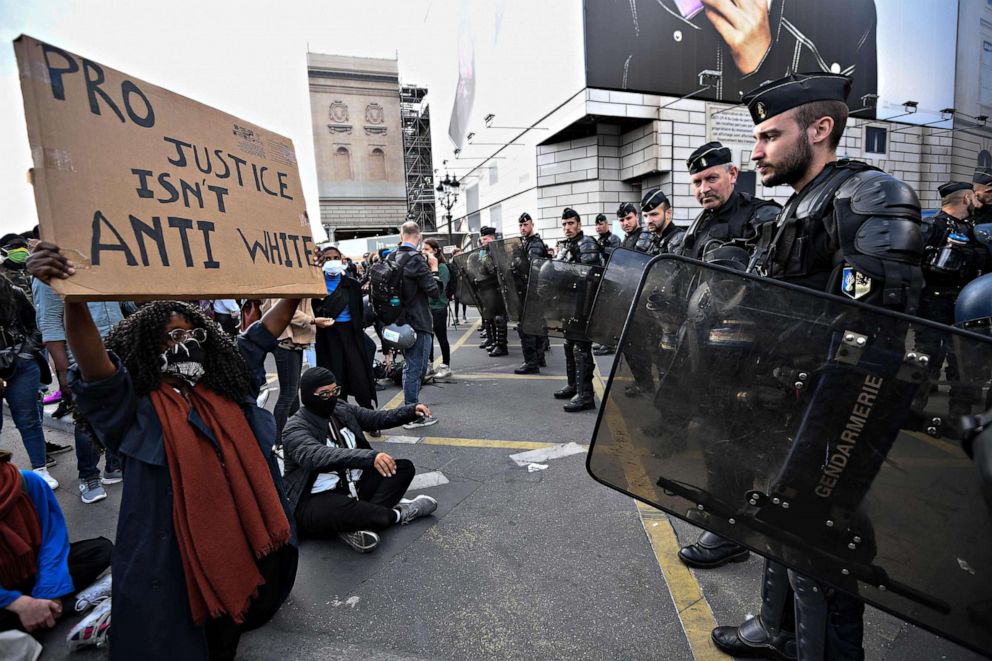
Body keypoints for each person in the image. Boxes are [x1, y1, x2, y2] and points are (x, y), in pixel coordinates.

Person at [711, 72, 924, 661]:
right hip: (787, 397)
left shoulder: (870, 196)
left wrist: (830, 430)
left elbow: (876, 334)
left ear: (820, 129)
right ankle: (779, 629)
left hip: (840, 400)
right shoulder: (797, 205)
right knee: (781, 514)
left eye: (769, 136)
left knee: (821, 531)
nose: (755, 152)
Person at [28, 241, 300, 661]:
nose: (187, 343)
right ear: (147, 348)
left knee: (228, 630)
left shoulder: (222, 385)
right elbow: (97, 368)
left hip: (240, 533)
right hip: (172, 548)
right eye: (174, 336)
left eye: (193, 335)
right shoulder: (134, 405)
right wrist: (75, 299)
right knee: (180, 632)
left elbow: (262, 333)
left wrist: (299, 282)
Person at [282, 367, 438, 553]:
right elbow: (316, 455)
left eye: (335, 391)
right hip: (316, 499)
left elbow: (375, 418)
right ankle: (398, 514)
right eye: (324, 394)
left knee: (403, 468)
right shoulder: (294, 428)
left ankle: (355, 522)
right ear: (308, 396)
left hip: (354, 486)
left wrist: (410, 411)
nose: (331, 397)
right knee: (338, 509)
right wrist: (369, 457)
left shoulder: (340, 408)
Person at [0, 449, 113, 634]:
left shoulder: (25, 481)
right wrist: (16, 602)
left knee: (101, 550)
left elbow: (52, 538)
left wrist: (49, 590)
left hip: (35, 571)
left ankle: (41, 611)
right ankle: (66, 605)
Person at [32, 280, 124, 503]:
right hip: (82, 358)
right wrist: (63, 372)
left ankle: (114, 466)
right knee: (87, 420)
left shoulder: (104, 263)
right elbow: (50, 321)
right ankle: (89, 475)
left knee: (121, 414)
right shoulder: (51, 273)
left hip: (120, 352)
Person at [914, 181, 987, 420]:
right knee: (928, 356)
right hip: (937, 301)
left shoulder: (972, 229)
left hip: (962, 302)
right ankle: (914, 408)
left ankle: (958, 414)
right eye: (972, 197)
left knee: (962, 361)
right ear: (965, 199)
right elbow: (916, 265)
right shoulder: (932, 227)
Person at [0, 272, 57, 490]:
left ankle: (40, 469)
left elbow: (36, 326)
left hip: (21, 366)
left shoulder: (13, 293)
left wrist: (25, 353)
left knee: (28, 419)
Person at [314, 246, 377, 410]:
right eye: (327, 259)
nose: (332, 262)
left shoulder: (352, 285)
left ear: (341, 259)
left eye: (335, 257)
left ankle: (369, 416)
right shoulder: (316, 286)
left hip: (351, 334)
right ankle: (341, 416)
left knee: (360, 375)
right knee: (335, 377)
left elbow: (358, 313)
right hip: (327, 337)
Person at [553, 208, 603, 413]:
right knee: (569, 346)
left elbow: (591, 277)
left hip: (583, 306)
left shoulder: (587, 244)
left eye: (571, 223)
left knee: (581, 350)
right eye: (564, 224)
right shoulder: (567, 246)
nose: (567, 228)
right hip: (569, 305)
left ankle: (585, 395)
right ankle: (574, 385)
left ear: (579, 224)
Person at [393, 221, 441, 429]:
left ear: (402, 235)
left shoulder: (391, 257)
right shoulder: (416, 260)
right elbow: (434, 291)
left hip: (399, 322)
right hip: (418, 322)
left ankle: (411, 409)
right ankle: (412, 413)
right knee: (416, 369)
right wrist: (435, 268)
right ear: (419, 237)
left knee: (411, 367)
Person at [261, 297, 326, 443]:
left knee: (293, 391)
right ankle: (277, 440)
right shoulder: (283, 280)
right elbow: (282, 311)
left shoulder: (294, 277)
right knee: (288, 394)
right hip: (285, 342)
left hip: (295, 340)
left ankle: (296, 431)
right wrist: (313, 320)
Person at [515, 212, 551, 374]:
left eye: (526, 225)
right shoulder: (527, 242)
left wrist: (516, 265)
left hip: (533, 292)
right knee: (536, 327)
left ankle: (531, 362)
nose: (523, 228)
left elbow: (532, 266)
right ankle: (539, 358)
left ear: (532, 225)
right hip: (532, 292)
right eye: (521, 225)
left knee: (527, 328)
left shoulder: (534, 244)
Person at [476, 226, 509, 357]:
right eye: (482, 238)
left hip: (498, 289)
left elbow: (496, 271)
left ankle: (502, 346)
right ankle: (496, 342)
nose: (482, 241)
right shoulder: (487, 251)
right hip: (490, 290)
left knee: (500, 319)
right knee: (493, 318)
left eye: (485, 238)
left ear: (492, 238)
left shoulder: (498, 252)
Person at [422, 239, 452, 379]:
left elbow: (439, 290)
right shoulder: (425, 267)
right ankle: (429, 365)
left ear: (435, 250)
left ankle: (446, 366)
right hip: (427, 307)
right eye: (423, 249)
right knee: (429, 338)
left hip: (438, 307)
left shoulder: (442, 268)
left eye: (427, 249)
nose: (424, 251)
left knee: (441, 337)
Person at [640, 188, 684, 255]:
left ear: (668, 213)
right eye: (645, 216)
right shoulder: (654, 238)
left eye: (654, 214)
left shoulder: (679, 240)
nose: (648, 221)